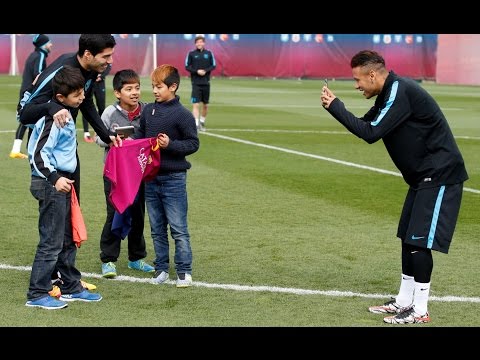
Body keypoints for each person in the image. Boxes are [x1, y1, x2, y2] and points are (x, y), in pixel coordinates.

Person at [321, 50, 468, 324]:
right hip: (422, 177)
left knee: (418, 241)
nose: (356, 85)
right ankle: (403, 300)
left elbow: (370, 134)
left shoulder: (399, 91)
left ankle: (420, 309)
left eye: (358, 79)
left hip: (439, 175)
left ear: (373, 74)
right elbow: (366, 125)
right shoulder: (388, 93)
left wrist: (336, 106)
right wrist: (337, 109)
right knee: (407, 237)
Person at [25, 66, 102, 310]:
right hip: (51, 184)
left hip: (63, 182)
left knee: (67, 237)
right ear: (60, 98)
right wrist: (55, 178)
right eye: (77, 94)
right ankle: (37, 292)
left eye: (83, 92)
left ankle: (69, 285)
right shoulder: (55, 118)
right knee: (51, 240)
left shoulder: (66, 114)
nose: (82, 97)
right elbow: (38, 154)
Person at [18, 33, 121, 202]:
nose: (110, 61)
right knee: (56, 215)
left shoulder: (91, 69)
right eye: (106, 56)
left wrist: (105, 134)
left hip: (67, 147)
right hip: (47, 151)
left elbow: (86, 102)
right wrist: (51, 107)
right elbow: (24, 114)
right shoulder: (61, 71)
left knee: (72, 206)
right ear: (88, 54)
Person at [131, 64, 199, 287]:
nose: (155, 91)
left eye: (159, 86)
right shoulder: (148, 110)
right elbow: (140, 138)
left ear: (173, 86)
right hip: (151, 179)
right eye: (153, 86)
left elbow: (192, 143)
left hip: (174, 179)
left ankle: (184, 271)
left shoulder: (183, 115)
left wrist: (170, 145)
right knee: (157, 228)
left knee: (178, 228)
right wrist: (127, 144)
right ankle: (161, 268)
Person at [95, 69, 154, 278]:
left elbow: (151, 138)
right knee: (115, 213)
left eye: (137, 88)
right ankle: (108, 259)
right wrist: (114, 138)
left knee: (138, 214)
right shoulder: (110, 113)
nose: (134, 92)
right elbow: (98, 139)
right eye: (128, 89)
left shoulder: (147, 110)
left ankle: (136, 258)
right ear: (117, 93)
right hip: (115, 174)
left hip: (138, 173)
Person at [9, 34, 53, 159]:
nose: (51, 44)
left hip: (27, 91)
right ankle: (26, 150)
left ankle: (21, 149)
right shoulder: (40, 55)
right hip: (32, 93)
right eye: (49, 42)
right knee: (28, 119)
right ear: (43, 45)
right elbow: (38, 74)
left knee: (27, 120)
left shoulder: (34, 55)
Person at [185, 34, 216, 131]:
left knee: (205, 105)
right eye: (198, 42)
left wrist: (205, 71)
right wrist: (196, 71)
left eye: (201, 42)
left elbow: (213, 65)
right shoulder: (191, 54)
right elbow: (187, 66)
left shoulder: (209, 53)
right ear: (195, 44)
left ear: (204, 43)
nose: (199, 44)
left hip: (206, 83)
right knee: (196, 104)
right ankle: (196, 124)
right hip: (195, 83)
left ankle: (202, 122)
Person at [82, 63, 112, 143]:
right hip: (90, 81)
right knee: (85, 106)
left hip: (100, 83)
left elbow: (109, 66)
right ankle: (86, 133)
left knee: (101, 107)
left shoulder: (106, 57)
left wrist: (101, 76)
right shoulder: (92, 55)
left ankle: (98, 131)